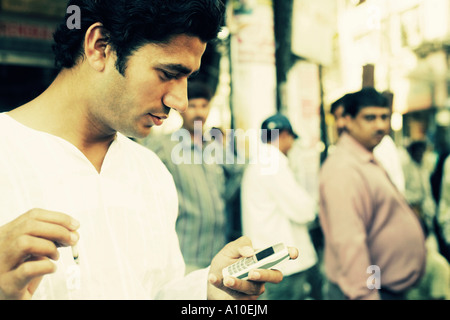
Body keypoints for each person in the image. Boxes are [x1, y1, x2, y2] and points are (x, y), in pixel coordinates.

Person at [0, 0, 297, 300]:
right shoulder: (7, 153)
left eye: (187, 79)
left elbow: (159, 292)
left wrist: (208, 291)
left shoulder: (151, 172)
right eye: (168, 73)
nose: (180, 101)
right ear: (99, 46)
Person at [319, 87, 426, 300]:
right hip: (368, 292)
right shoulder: (344, 168)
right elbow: (349, 242)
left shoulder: (364, 157)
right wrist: (365, 294)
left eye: (384, 117)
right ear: (347, 120)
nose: (380, 125)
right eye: (370, 118)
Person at [142, 80, 244, 273]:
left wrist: (223, 197)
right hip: (184, 254)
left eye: (204, 106)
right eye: (193, 106)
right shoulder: (164, 146)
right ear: (182, 109)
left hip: (218, 253)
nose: (199, 112)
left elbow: (239, 172)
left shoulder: (215, 147)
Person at [241, 113, 321, 300]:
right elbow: (304, 211)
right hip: (284, 265)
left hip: (269, 261)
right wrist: (313, 205)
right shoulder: (273, 164)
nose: (292, 145)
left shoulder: (258, 163)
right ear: (284, 135)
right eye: (292, 138)